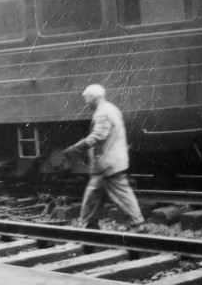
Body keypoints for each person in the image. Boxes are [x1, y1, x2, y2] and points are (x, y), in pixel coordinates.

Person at [62, 84, 145, 231]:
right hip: (107, 162)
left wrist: (76, 148)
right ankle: (89, 224)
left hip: (109, 163)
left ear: (94, 98)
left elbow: (98, 136)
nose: (86, 102)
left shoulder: (103, 113)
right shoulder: (111, 108)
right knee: (94, 191)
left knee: (121, 193)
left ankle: (138, 224)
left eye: (86, 99)